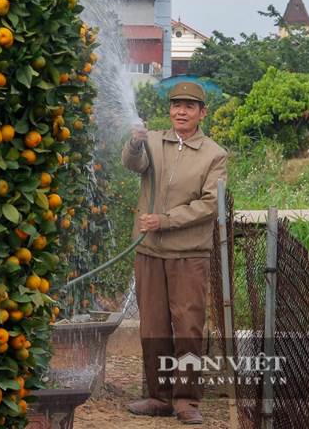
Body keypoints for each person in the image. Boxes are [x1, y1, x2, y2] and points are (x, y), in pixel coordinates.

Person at [121, 82, 228, 424]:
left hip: (189, 253)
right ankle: (157, 396)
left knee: (188, 327)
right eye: (176, 105)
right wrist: (134, 143)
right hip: (150, 252)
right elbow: (133, 164)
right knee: (152, 327)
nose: (181, 111)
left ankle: (186, 401)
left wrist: (165, 221)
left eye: (189, 106)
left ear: (202, 113)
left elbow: (210, 204)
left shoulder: (214, 154)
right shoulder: (152, 141)